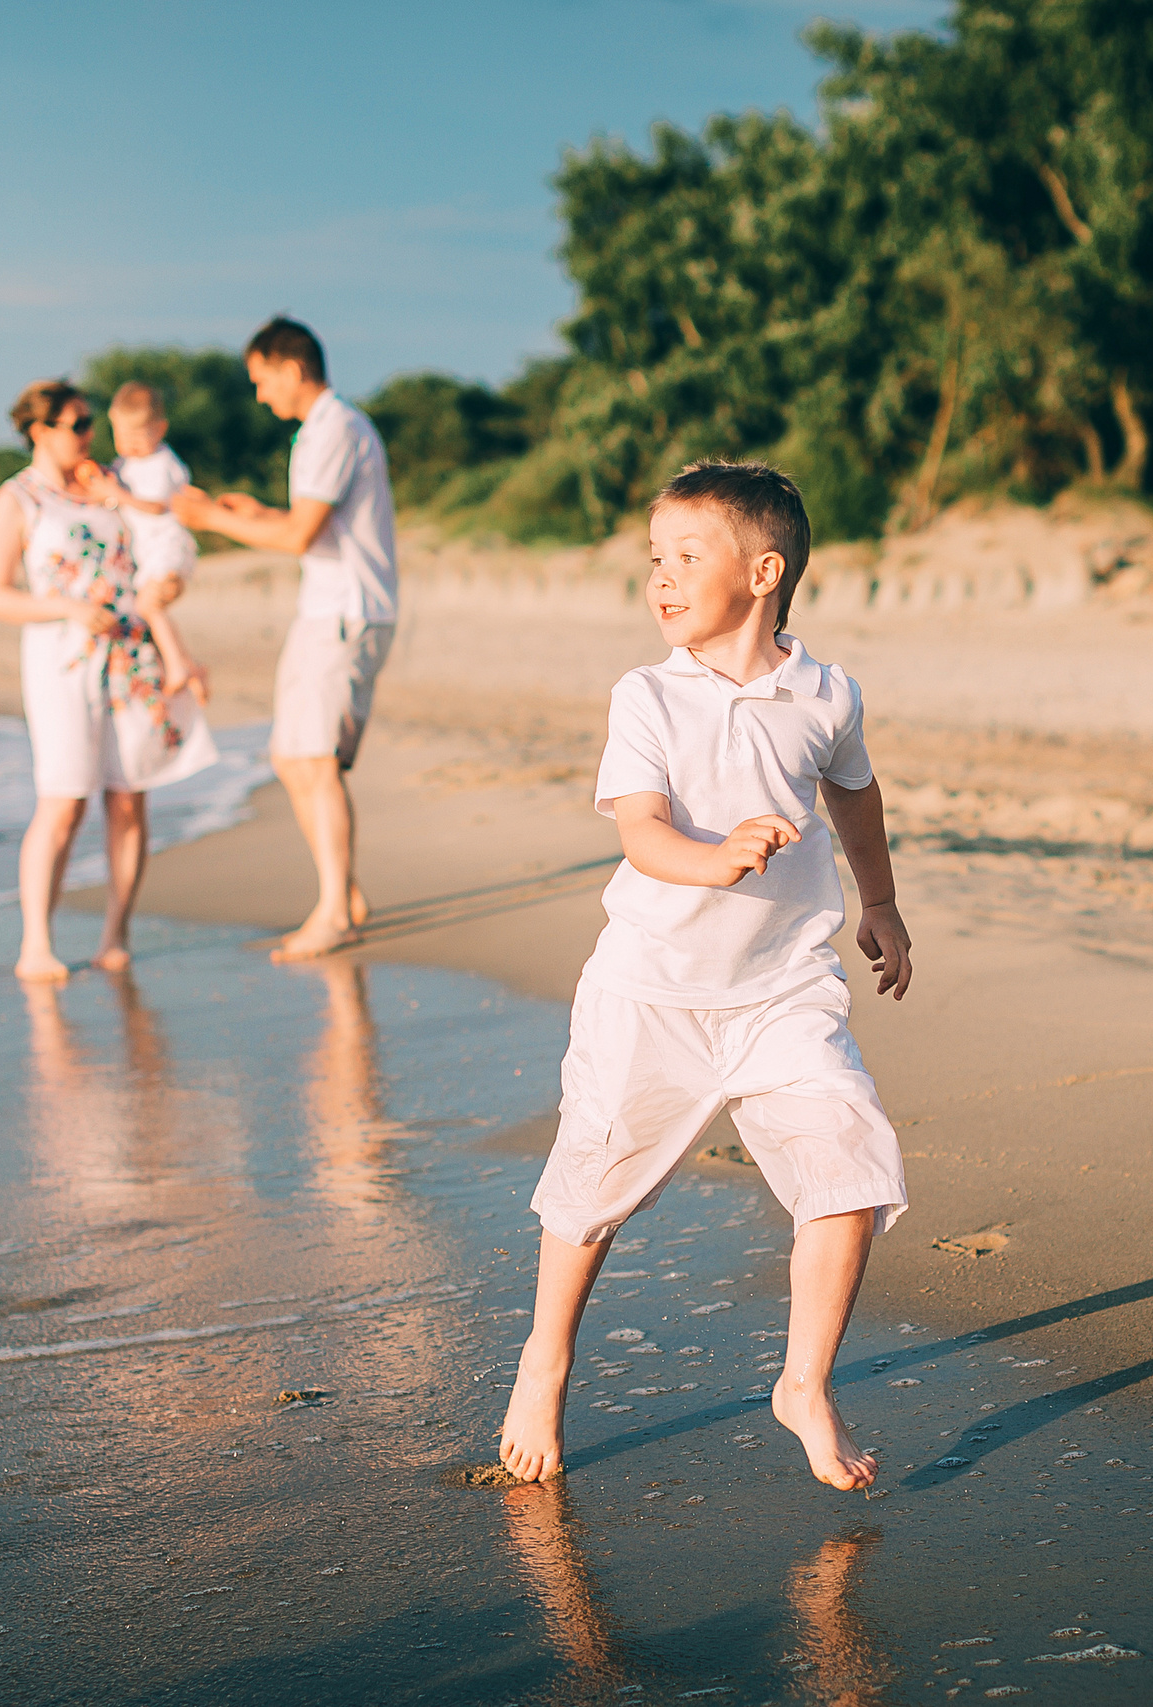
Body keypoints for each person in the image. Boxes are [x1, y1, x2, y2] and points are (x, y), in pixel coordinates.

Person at [497, 460, 915, 1492]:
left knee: (849, 1172)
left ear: (763, 571)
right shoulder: (646, 696)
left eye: (688, 557)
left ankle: (803, 1386)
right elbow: (640, 833)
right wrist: (717, 854)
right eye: (654, 559)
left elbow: (854, 800)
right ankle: (545, 1360)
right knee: (591, 1185)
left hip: (781, 989)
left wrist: (880, 903)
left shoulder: (826, 694)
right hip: (651, 992)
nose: (662, 578)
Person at [172, 316, 395, 961]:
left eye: (262, 380)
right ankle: (343, 897)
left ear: (291, 369)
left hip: (344, 613)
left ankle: (334, 912)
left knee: (314, 761)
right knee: (292, 757)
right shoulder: (327, 430)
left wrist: (209, 517)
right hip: (328, 608)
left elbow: (300, 537)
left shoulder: (333, 429)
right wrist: (252, 513)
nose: (261, 395)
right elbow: (312, 528)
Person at [0, 378, 216, 982]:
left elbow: (161, 543)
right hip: (63, 663)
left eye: (91, 423)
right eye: (79, 424)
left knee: (129, 800)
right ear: (40, 430)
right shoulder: (18, 499)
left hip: (132, 660)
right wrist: (68, 608)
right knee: (63, 803)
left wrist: (173, 592)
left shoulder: (112, 483)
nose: (91, 435)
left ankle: (116, 935)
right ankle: (36, 943)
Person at [88, 382, 209, 703]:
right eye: (122, 435)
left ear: (160, 429)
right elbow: (109, 489)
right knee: (147, 608)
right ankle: (188, 668)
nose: (130, 444)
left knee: (149, 605)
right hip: (149, 553)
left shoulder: (161, 462)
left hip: (167, 546)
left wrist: (119, 495)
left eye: (139, 435)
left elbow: (157, 505)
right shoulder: (125, 464)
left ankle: (181, 666)